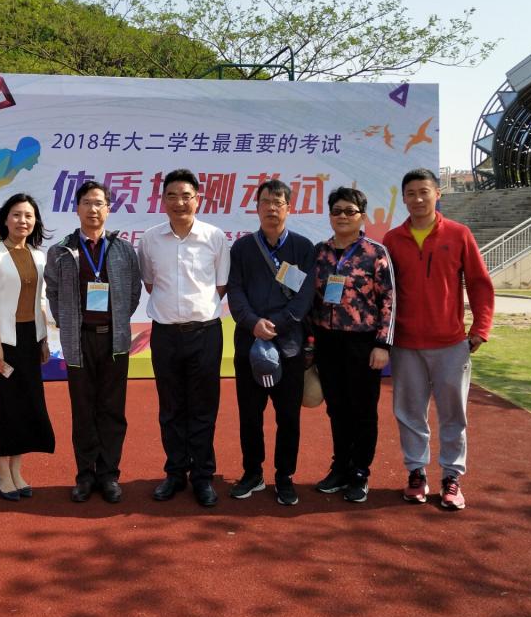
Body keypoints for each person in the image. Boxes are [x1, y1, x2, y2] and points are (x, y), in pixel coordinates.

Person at [383, 168, 494, 511]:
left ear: (437, 194)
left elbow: (479, 283)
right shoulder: (392, 240)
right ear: (403, 198)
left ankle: (451, 477)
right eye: (411, 193)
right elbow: (384, 292)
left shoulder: (459, 234)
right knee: (409, 413)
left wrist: (481, 328)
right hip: (405, 344)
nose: (418, 199)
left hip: (450, 343)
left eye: (424, 191)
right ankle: (416, 472)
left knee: (453, 415)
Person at [137, 168, 230, 507]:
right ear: (162, 201)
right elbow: (150, 283)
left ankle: (203, 476)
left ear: (198, 199)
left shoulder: (215, 237)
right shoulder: (150, 239)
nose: (179, 202)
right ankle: (175, 473)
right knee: (171, 408)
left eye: (186, 196)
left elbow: (221, 286)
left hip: (205, 334)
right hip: (165, 334)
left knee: (203, 408)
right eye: (172, 196)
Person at [45, 181, 141, 504]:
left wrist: (117, 318)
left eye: (99, 203)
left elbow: (133, 291)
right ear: (77, 209)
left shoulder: (123, 249)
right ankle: (85, 475)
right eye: (86, 202)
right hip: (79, 340)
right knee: (83, 409)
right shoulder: (61, 250)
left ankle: (109, 474)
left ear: (109, 209)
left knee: (112, 409)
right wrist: (67, 321)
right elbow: (52, 291)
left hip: (114, 340)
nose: (93, 209)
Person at [226, 179, 315, 506]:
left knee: (288, 417)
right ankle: (252, 473)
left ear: (288, 208)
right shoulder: (242, 248)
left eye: (278, 203)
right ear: (257, 208)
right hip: (249, 345)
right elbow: (235, 291)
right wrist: (253, 323)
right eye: (266, 202)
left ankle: (285, 476)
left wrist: (277, 323)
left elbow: (305, 295)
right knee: (250, 415)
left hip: (288, 346)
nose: (272, 209)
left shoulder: (303, 248)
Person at [309, 186, 395, 503]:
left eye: (349, 211)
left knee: (363, 410)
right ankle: (340, 467)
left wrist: (383, 344)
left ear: (362, 216)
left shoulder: (375, 252)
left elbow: (389, 300)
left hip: (363, 342)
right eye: (337, 211)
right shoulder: (319, 252)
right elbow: (309, 299)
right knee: (337, 408)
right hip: (327, 341)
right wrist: (310, 343)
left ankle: (360, 472)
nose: (342, 216)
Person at [0, 193, 55, 501]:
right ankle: (3, 472)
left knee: (26, 405)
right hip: (2, 342)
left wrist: (44, 339)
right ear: (5, 220)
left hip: (30, 340)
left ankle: (17, 469)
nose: (23, 221)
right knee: (3, 407)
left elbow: (41, 301)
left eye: (29, 216)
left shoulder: (39, 256)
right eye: (17, 215)